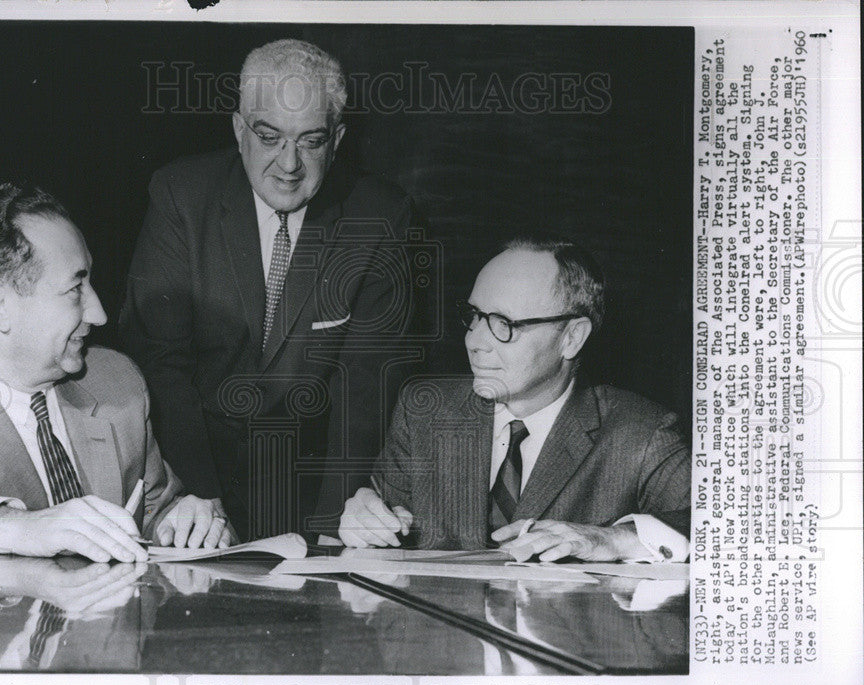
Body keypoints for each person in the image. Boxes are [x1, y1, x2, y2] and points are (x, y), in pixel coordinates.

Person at [119, 39, 415, 541]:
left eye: (311, 141)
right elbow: (162, 362)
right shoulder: (181, 196)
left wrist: (329, 528)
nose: (289, 163)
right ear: (239, 130)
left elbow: (364, 389)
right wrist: (199, 501)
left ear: (337, 139)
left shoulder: (382, 219)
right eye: (269, 135)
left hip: (314, 496)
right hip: (192, 487)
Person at [0, 182, 235, 560]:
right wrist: (10, 524)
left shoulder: (115, 382)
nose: (99, 314)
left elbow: (156, 510)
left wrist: (186, 523)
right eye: (76, 289)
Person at [338, 238, 691, 562]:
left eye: (503, 323)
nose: (475, 341)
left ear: (572, 337)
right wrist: (367, 522)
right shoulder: (426, 411)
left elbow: (724, 529)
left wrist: (616, 539)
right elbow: (386, 525)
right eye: (475, 316)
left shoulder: (641, 434)